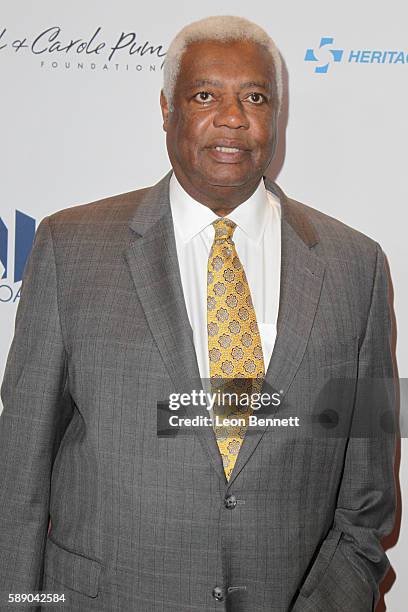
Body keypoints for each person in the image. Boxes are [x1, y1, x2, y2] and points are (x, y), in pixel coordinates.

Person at [0, 15, 396, 612]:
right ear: (166, 110)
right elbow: (18, 480)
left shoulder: (357, 267)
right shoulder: (70, 248)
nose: (232, 116)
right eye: (205, 95)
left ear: (277, 116)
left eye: (255, 97)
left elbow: (367, 499)